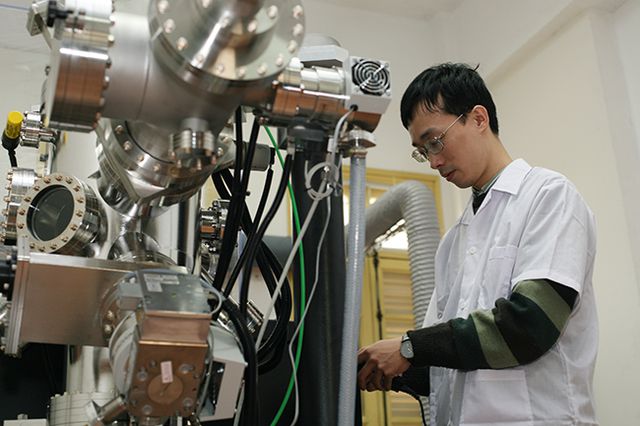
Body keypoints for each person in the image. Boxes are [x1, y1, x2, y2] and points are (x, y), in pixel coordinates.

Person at [356, 63, 598, 426]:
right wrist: (382, 366)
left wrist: (409, 347)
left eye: (435, 141)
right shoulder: (454, 240)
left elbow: (531, 325)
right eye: (422, 151)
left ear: (479, 118)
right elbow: (448, 364)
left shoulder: (548, 196)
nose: (433, 162)